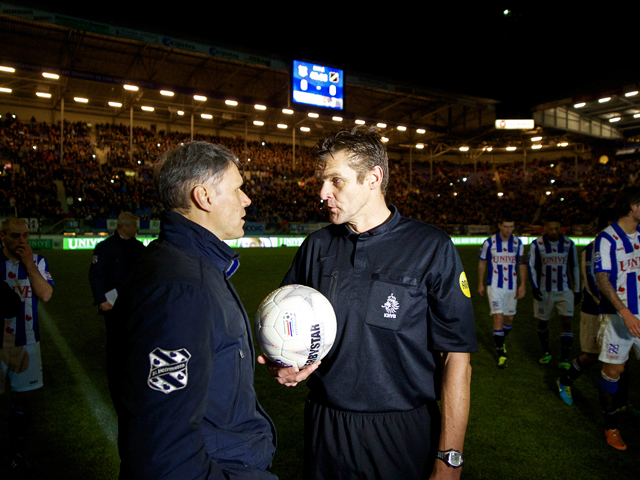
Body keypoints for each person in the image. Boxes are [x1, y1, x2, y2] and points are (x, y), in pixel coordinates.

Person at [258, 126, 477, 480]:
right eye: (321, 181)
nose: (322, 193)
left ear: (373, 178)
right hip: (325, 424)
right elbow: (284, 322)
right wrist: (283, 363)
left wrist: (450, 456)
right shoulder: (316, 247)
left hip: (403, 429)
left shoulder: (431, 247)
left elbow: (457, 358)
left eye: (336, 181)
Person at [110, 142, 277, 479]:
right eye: (238, 189)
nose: (247, 199)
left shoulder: (187, 265)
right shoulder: (181, 289)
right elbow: (163, 450)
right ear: (204, 197)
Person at [0, 218, 54, 471]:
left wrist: (29, 264)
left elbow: (45, 294)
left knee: (23, 401)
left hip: (27, 342)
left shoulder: (38, 261)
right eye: (14, 236)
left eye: (25, 236)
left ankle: (17, 450)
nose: (21, 241)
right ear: (2, 236)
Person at [594, 187, 640, 450]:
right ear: (633, 207)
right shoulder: (607, 239)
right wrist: (625, 312)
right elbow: (602, 279)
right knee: (614, 371)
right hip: (617, 317)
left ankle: (626, 406)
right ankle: (610, 426)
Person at [556, 209, 615, 405]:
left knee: (620, 360)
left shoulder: (619, 246)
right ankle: (565, 381)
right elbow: (590, 282)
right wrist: (610, 303)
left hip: (617, 310)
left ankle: (621, 401)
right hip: (595, 309)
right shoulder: (592, 248)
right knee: (592, 354)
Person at [88, 211, 145, 399]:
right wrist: (101, 300)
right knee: (115, 340)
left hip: (135, 304)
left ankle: (133, 371)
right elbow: (96, 275)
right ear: (125, 227)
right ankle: (116, 374)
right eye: (135, 226)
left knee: (136, 338)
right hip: (112, 304)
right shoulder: (105, 247)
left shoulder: (138, 247)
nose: (138, 229)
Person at [528, 217, 580, 368]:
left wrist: (577, 290)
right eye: (550, 228)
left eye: (556, 228)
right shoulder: (537, 244)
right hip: (545, 290)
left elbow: (575, 267)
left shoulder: (569, 244)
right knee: (543, 321)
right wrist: (535, 287)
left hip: (564, 290)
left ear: (561, 228)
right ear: (545, 228)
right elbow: (531, 266)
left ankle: (564, 358)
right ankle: (546, 352)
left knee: (566, 321)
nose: (553, 232)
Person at [478, 218, 526, 368]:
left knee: (509, 318)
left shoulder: (518, 243)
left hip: (511, 287)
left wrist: (523, 284)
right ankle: (501, 353)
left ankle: (500, 340)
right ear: (499, 226)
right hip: (494, 286)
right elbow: (482, 262)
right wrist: (480, 282)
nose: (508, 230)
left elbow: (522, 264)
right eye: (505, 226)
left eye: (511, 226)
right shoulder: (489, 243)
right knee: (498, 316)